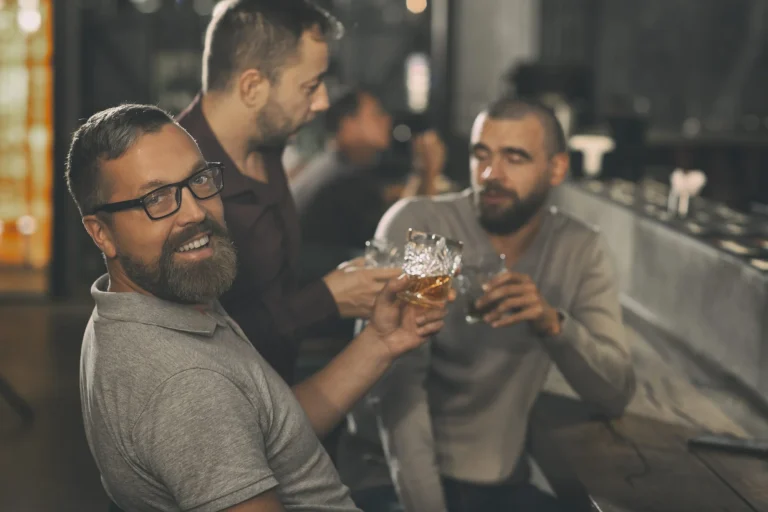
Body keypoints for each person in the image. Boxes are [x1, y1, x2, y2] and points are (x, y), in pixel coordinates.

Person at [67, 104, 450, 511]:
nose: (196, 211)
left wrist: (381, 341)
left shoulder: (141, 301)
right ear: (100, 233)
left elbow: (272, 432)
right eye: (156, 199)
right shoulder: (188, 385)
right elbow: (210, 411)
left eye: (199, 180)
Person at [336, 96, 637, 512]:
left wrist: (553, 324)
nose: (491, 174)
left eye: (515, 157)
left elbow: (613, 395)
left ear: (557, 168)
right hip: (390, 479)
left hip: (499, 484)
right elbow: (400, 396)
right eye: (482, 155)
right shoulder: (428, 228)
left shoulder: (579, 248)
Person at [176, 0, 397, 391]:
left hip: (282, 394)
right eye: (310, 86)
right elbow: (189, 344)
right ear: (252, 87)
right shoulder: (176, 181)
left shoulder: (268, 142)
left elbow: (270, 285)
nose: (323, 101)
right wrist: (325, 300)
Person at [291, 87, 447, 252]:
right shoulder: (344, 181)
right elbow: (402, 244)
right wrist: (427, 172)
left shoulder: (333, 164)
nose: (387, 119)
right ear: (348, 124)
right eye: (377, 114)